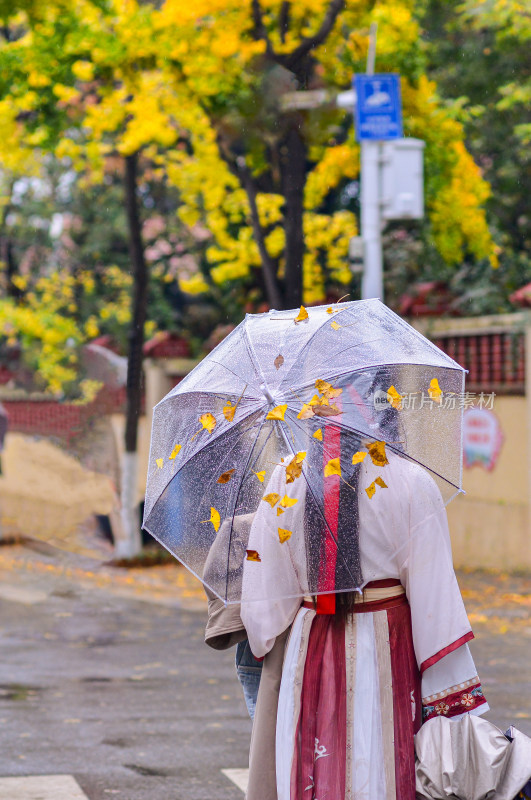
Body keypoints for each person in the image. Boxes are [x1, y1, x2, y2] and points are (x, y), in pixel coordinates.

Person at [240, 413, 489, 800]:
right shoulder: (410, 479)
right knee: (384, 759)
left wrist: (266, 636)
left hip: (311, 645)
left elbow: (264, 603)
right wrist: (451, 695)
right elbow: (434, 595)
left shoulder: (287, 476)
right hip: (388, 643)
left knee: (310, 763)